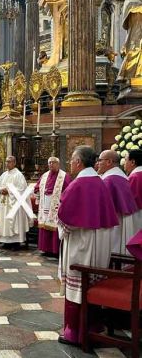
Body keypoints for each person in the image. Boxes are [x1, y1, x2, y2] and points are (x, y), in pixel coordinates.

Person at [58, 146, 119, 346]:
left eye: (72, 160)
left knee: (78, 284)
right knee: (93, 283)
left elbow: (65, 220)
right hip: (100, 242)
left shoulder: (78, 185)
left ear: (79, 162)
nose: (70, 164)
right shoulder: (101, 182)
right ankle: (93, 326)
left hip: (80, 244)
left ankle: (75, 331)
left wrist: (63, 230)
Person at [98, 150, 140, 254]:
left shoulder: (109, 180)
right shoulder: (122, 177)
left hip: (115, 225)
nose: (97, 163)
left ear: (109, 162)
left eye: (100, 160)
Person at [33, 157, 72, 256]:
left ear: (58, 164)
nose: (51, 164)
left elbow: (69, 190)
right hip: (45, 203)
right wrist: (37, 192)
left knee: (55, 225)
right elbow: (37, 187)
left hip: (57, 205)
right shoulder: (44, 175)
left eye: (53, 162)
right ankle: (45, 248)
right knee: (45, 224)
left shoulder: (64, 176)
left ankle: (55, 250)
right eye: (49, 162)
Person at [0, 156, 32, 250]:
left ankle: (16, 242)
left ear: (14, 163)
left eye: (10, 162)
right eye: (6, 162)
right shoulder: (4, 175)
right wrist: (1, 190)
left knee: (14, 221)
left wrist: (9, 191)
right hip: (4, 202)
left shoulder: (19, 175)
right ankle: (6, 241)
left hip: (14, 203)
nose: (7, 163)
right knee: (4, 221)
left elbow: (22, 189)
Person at [125, 149, 142, 228]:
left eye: (126, 160)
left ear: (133, 162)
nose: (124, 164)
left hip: (137, 215)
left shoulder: (135, 177)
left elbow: (130, 200)